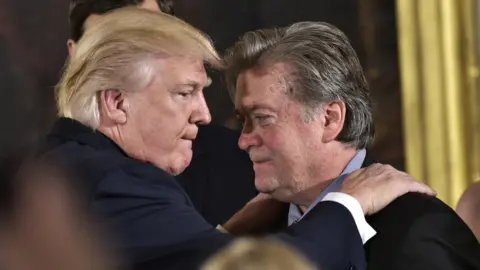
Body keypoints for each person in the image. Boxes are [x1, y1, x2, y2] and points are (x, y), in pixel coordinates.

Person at [39, 8, 435, 270]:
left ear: (331, 119)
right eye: (184, 92)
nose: (204, 113)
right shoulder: (114, 183)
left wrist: (225, 238)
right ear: (116, 103)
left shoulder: (75, 165)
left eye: (261, 117)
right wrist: (349, 204)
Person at [225, 21, 480, 270]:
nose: (244, 139)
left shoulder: (417, 230)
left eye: (262, 118)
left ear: (330, 119)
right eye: (243, 120)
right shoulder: (250, 238)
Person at [66, 0, 257, 226]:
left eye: (149, 37)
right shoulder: (49, 185)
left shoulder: (244, 162)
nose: (130, 60)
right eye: (109, 47)